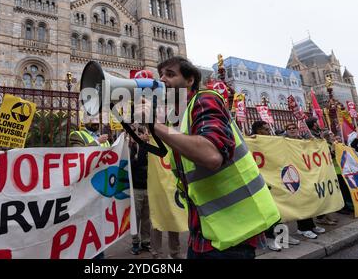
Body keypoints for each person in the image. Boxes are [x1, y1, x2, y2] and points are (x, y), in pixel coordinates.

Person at [137, 57, 280, 259]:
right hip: (205, 229)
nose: (162, 80)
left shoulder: (206, 100)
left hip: (235, 230)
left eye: (170, 74)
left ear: (189, 80)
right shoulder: (177, 117)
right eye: (161, 75)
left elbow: (211, 156)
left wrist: (156, 126)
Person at [253, 121, 301, 251]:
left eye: (269, 129)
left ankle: (284, 237)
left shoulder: (274, 141)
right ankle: (269, 239)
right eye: (265, 130)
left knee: (283, 210)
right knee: (268, 213)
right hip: (263, 184)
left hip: (277, 180)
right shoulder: (252, 142)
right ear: (258, 131)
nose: (269, 132)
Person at [69, 116, 110, 259]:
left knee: (99, 229)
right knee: (86, 229)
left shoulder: (105, 139)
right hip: (85, 192)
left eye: (97, 119)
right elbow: (77, 155)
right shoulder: (77, 135)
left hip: (101, 190)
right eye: (91, 119)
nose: (95, 122)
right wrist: (97, 142)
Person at [296, 117, 326, 239]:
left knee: (310, 201)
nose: (293, 130)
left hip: (307, 172)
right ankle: (302, 228)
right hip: (297, 174)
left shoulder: (303, 138)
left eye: (294, 128)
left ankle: (311, 225)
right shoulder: (286, 140)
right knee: (301, 203)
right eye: (290, 128)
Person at [129, 126, 152, 255]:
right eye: (139, 134)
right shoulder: (131, 147)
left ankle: (146, 241)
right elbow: (134, 164)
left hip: (148, 187)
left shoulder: (148, 147)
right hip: (137, 188)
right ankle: (135, 242)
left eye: (143, 133)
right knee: (136, 217)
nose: (142, 136)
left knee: (146, 217)